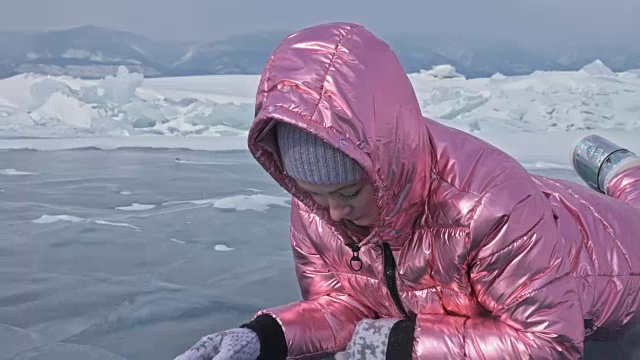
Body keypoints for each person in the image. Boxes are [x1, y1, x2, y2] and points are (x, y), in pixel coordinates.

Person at [174, 22, 640, 360]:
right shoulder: (317, 206)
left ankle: (622, 169)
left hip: (613, 254)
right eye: (313, 192)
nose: (331, 214)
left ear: (384, 166)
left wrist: (401, 343)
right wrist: (267, 337)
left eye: (348, 192)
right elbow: (347, 307)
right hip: (545, 210)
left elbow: (548, 343)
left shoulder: (491, 207)